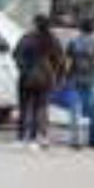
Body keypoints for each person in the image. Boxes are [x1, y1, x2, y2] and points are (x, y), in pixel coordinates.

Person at [13, 14, 64, 149]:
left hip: (27, 78)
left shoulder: (27, 38)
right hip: (45, 78)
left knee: (24, 107)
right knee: (39, 108)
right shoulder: (53, 40)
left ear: (35, 23)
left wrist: (23, 69)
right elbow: (60, 60)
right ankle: (34, 139)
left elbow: (16, 54)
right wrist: (56, 76)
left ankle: (20, 138)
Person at [63, 18, 94, 150]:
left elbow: (67, 63)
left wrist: (65, 77)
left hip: (75, 80)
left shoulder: (73, 42)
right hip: (93, 81)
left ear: (81, 29)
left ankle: (76, 141)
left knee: (75, 113)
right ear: (93, 29)